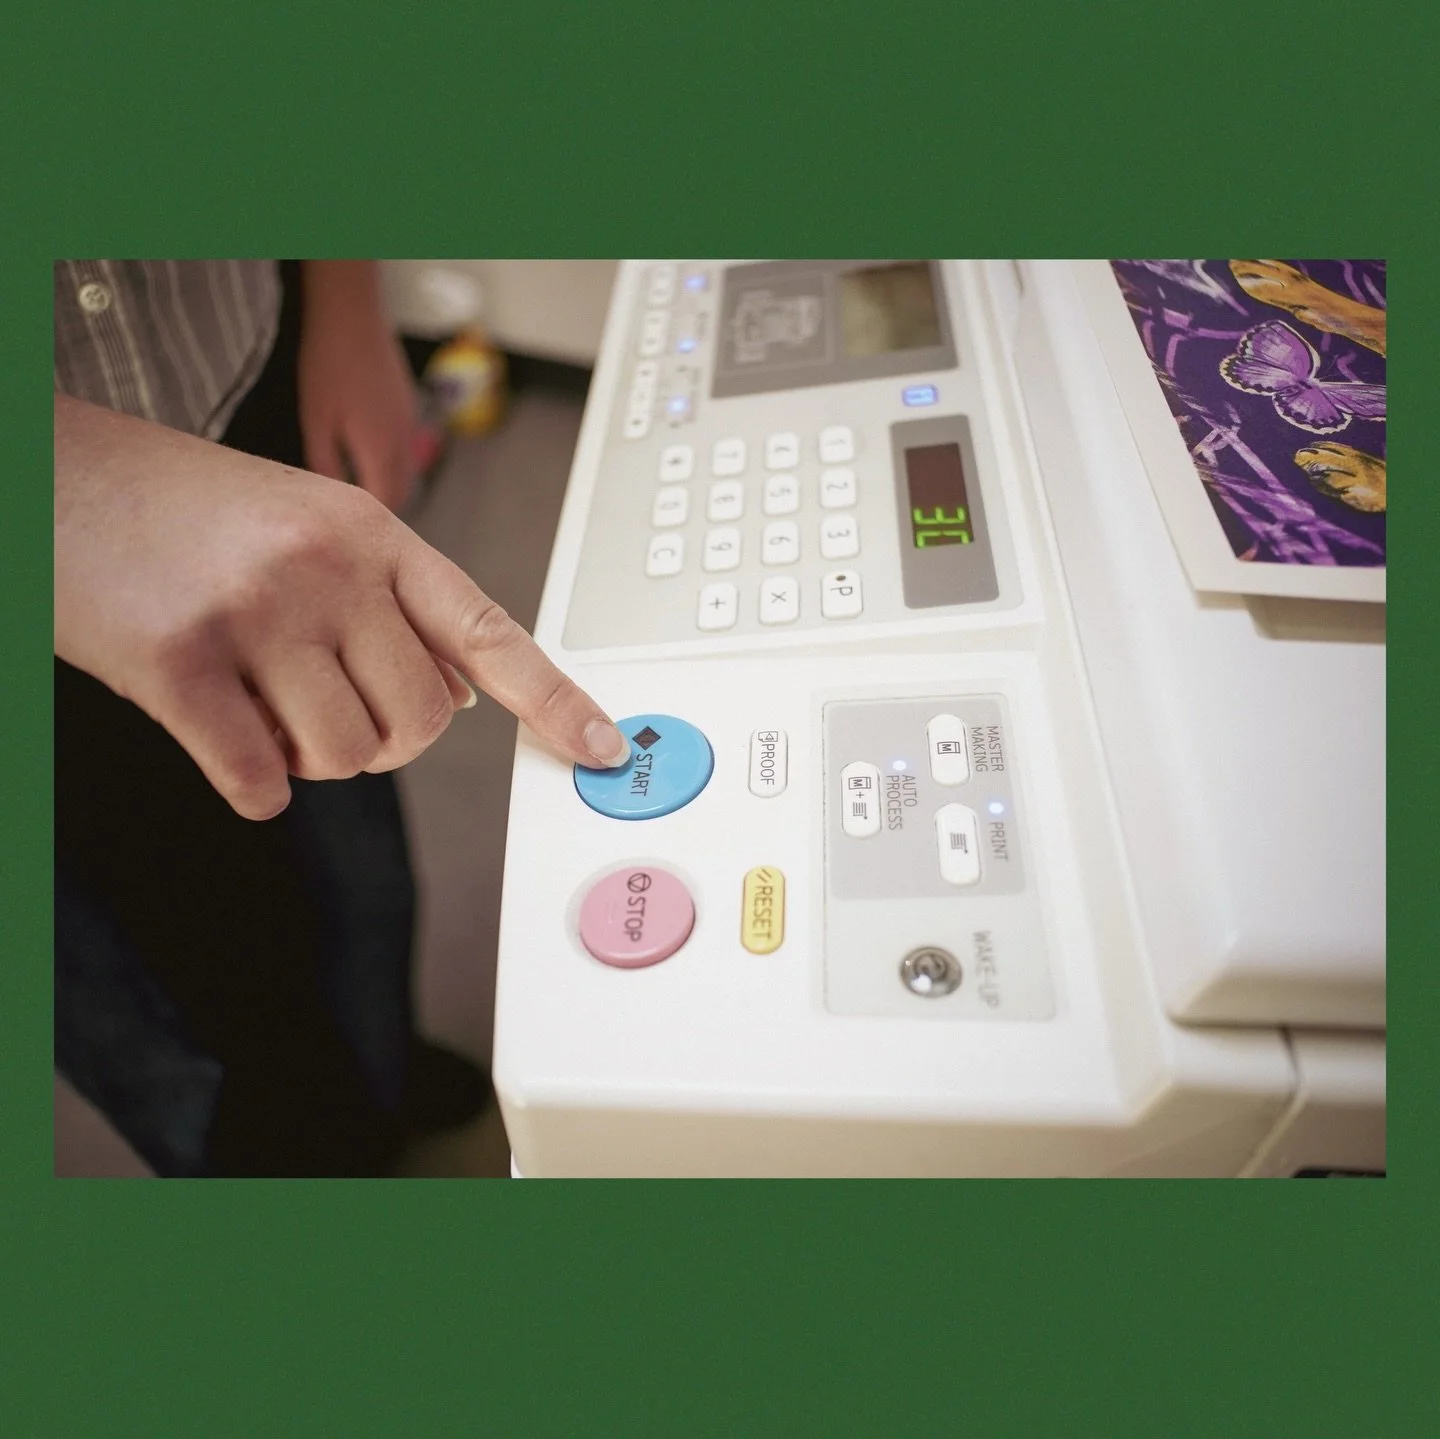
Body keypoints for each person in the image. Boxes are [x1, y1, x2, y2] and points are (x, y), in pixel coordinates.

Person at [54, 260, 629, 1177]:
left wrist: (349, 309)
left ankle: (380, 1068)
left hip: (241, 376)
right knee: (141, 1005)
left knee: (356, 859)